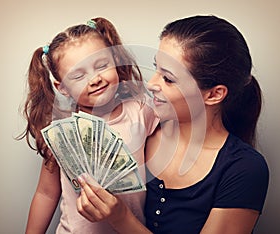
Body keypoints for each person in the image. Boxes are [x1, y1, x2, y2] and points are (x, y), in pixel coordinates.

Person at [76, 15, 269, 234]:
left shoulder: (245, 169)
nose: (151, 84)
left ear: (214, 94)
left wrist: (121, 218)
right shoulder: (143, 131)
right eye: (156, 68)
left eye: (168, 78)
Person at [18, 17, 158, 233]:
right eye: (78, 75)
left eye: (102, 65)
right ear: (62, 87)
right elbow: (46, 193)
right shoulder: (61, 134)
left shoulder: (141, 111)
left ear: (116, 61)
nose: (95, 79)